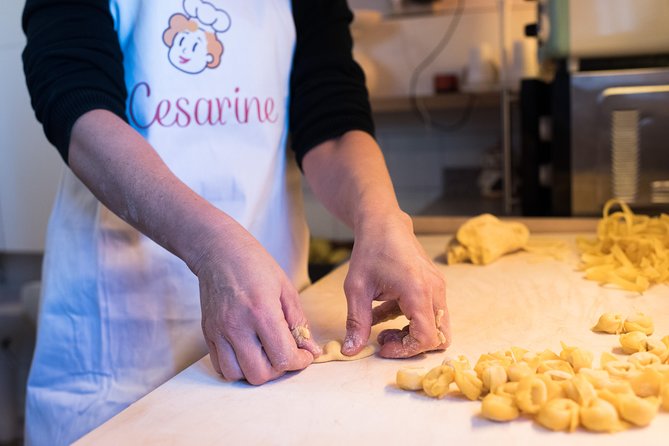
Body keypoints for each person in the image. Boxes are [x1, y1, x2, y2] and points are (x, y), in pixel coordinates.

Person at [21, 0, 451, 444]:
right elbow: (75, 102)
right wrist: (211, 245)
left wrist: (381, 217)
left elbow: (332, 118)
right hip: (119, 350)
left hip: (275, 337)